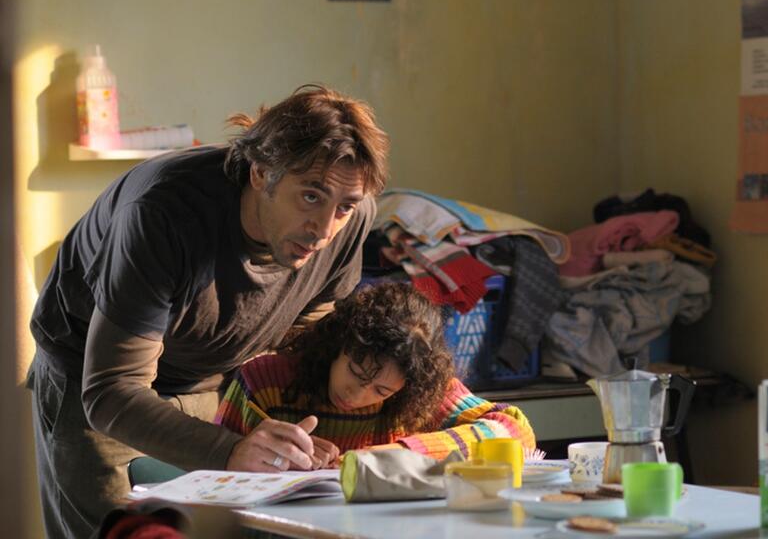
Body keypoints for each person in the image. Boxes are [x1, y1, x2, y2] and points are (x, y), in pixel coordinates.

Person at [27, 84, 389, 538]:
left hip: (215, 384)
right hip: (96, 387)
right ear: (260, 173)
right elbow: (110, 392)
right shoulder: (162, 214)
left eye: (345, 207)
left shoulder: (350, 217)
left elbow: (306, 329)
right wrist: (229, 451)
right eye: (311, 196)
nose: (324, 229)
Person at [215, 283, 536, 469]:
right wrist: (276, 458)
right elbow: (212, 470)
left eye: (381, 390)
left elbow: (516, 431)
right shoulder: (265, 380)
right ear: (337, 344)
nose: (356, 396)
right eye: (355, 372)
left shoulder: (420, 392)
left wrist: (404, 455)